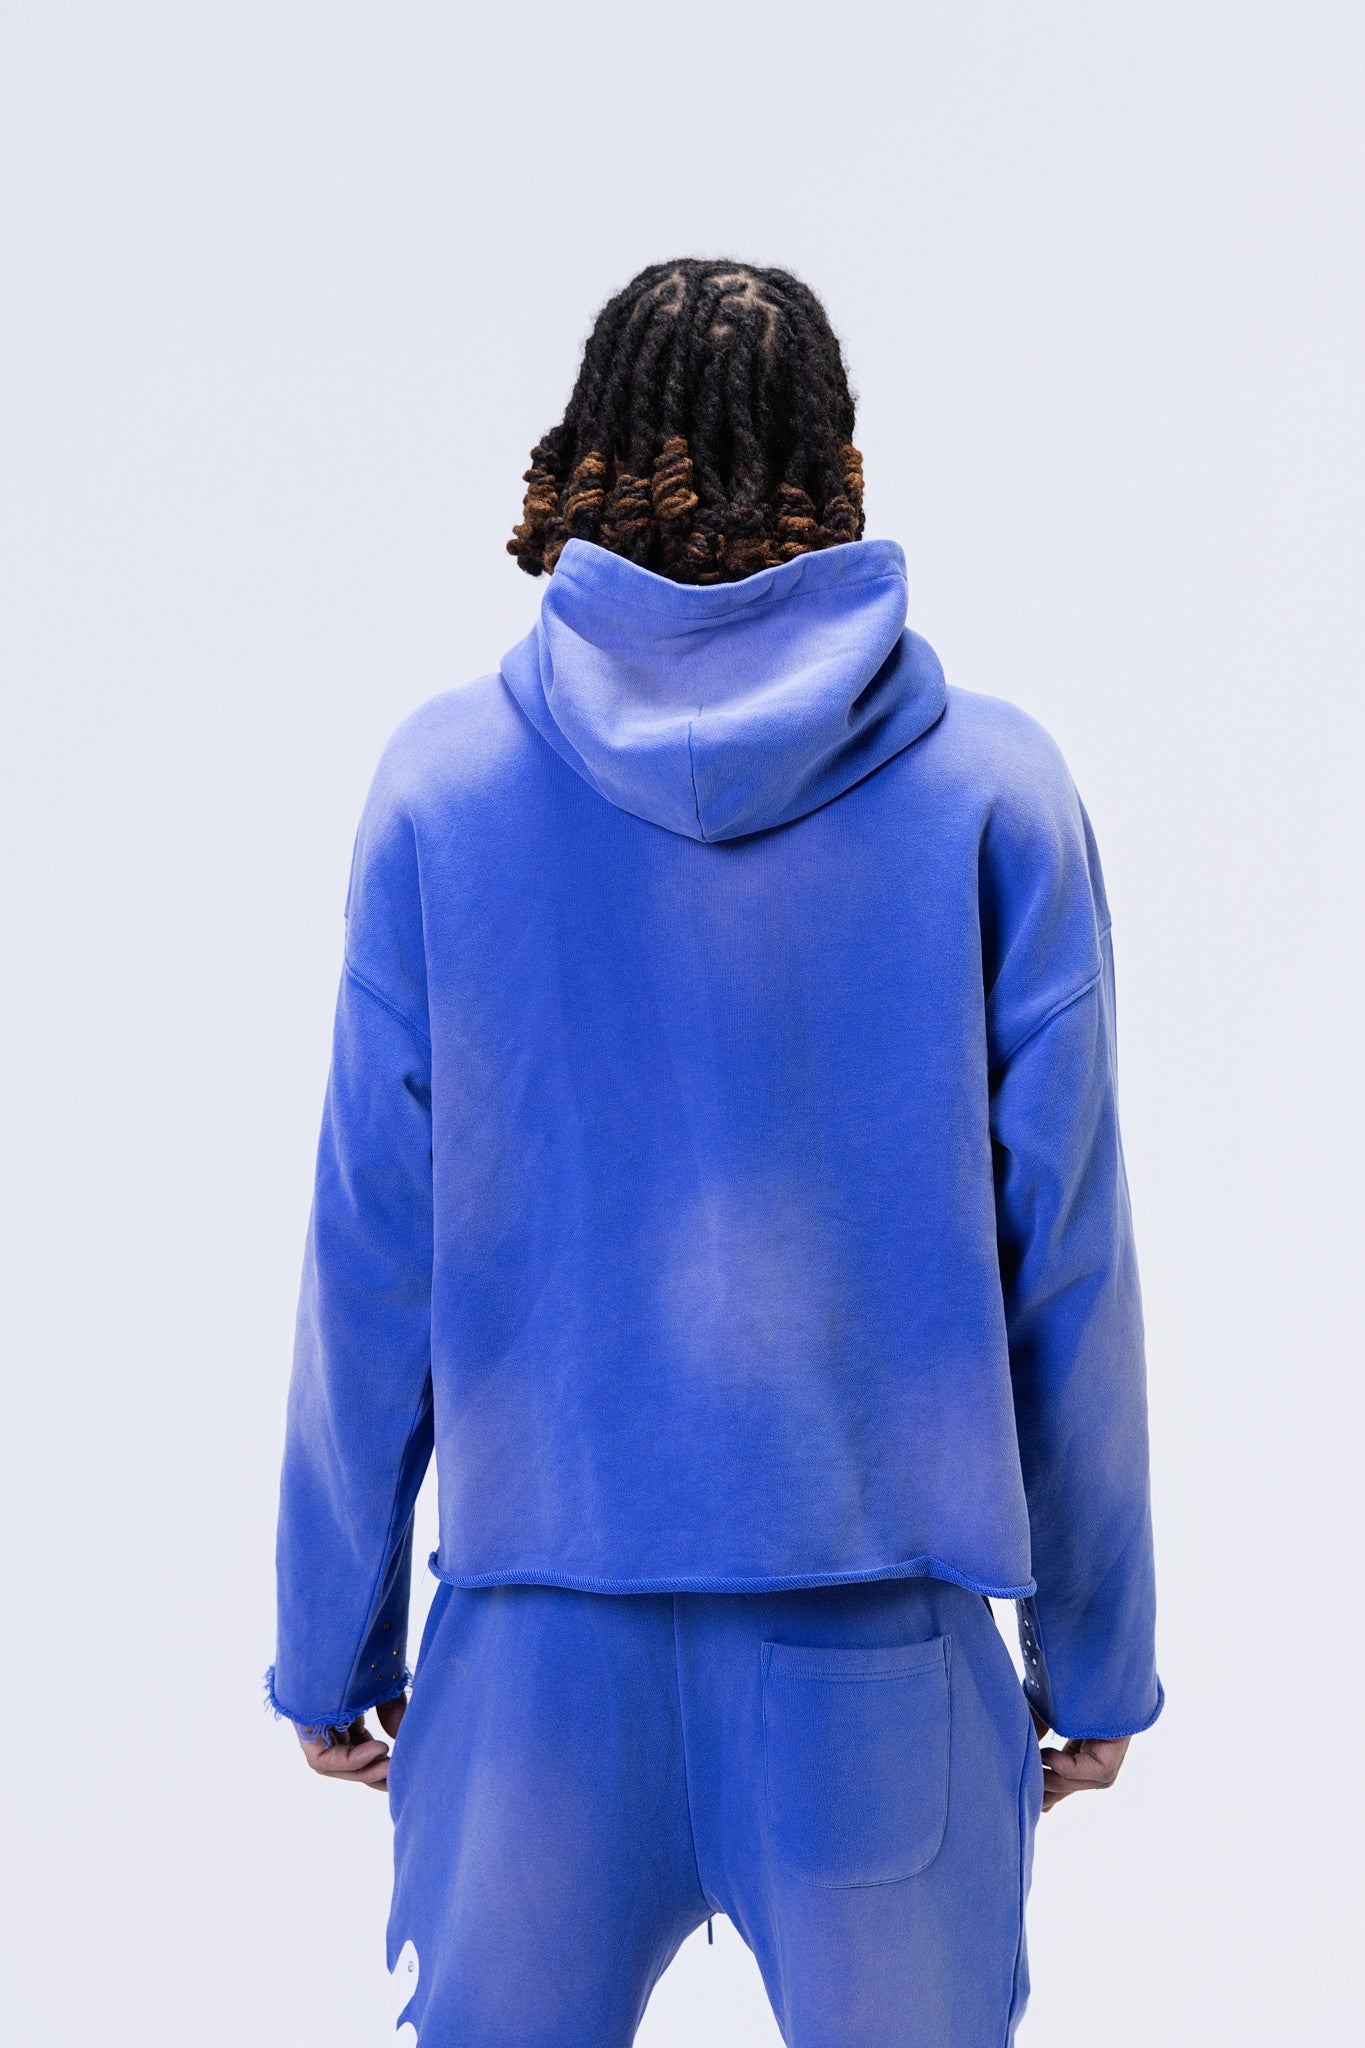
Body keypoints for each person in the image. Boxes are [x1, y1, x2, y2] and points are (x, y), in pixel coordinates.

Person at [268, 258, 1162, 2047]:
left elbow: (373, 1248)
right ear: (833, 466)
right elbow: (1061, 1258)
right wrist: (1097, 1650)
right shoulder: (992, 793)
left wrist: (328, 1635)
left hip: (533, 1660)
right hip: (880, 1660)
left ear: (581, 457)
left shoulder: (443, 789)